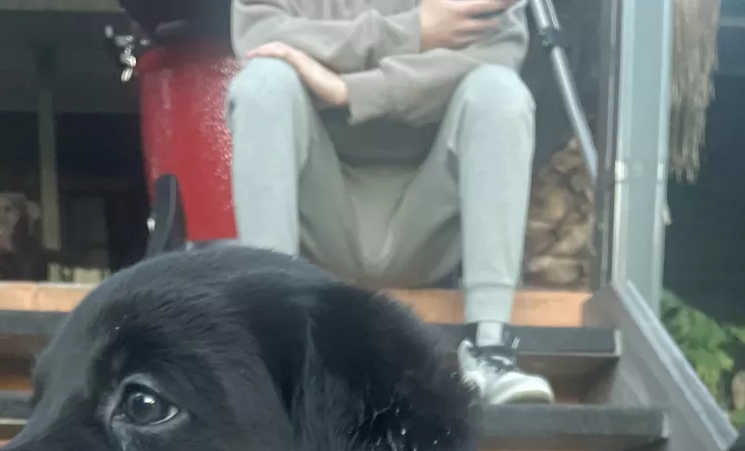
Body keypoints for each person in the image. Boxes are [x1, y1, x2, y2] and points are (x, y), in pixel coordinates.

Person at [226, 0, 554, 405]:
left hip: (429, 216)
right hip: (319, 214)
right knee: (264, 81)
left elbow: (496, 53)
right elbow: (260, 33)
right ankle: (276, 347)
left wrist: (352, 91)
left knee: (499, 90)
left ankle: (491, 347)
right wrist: (412, 32)